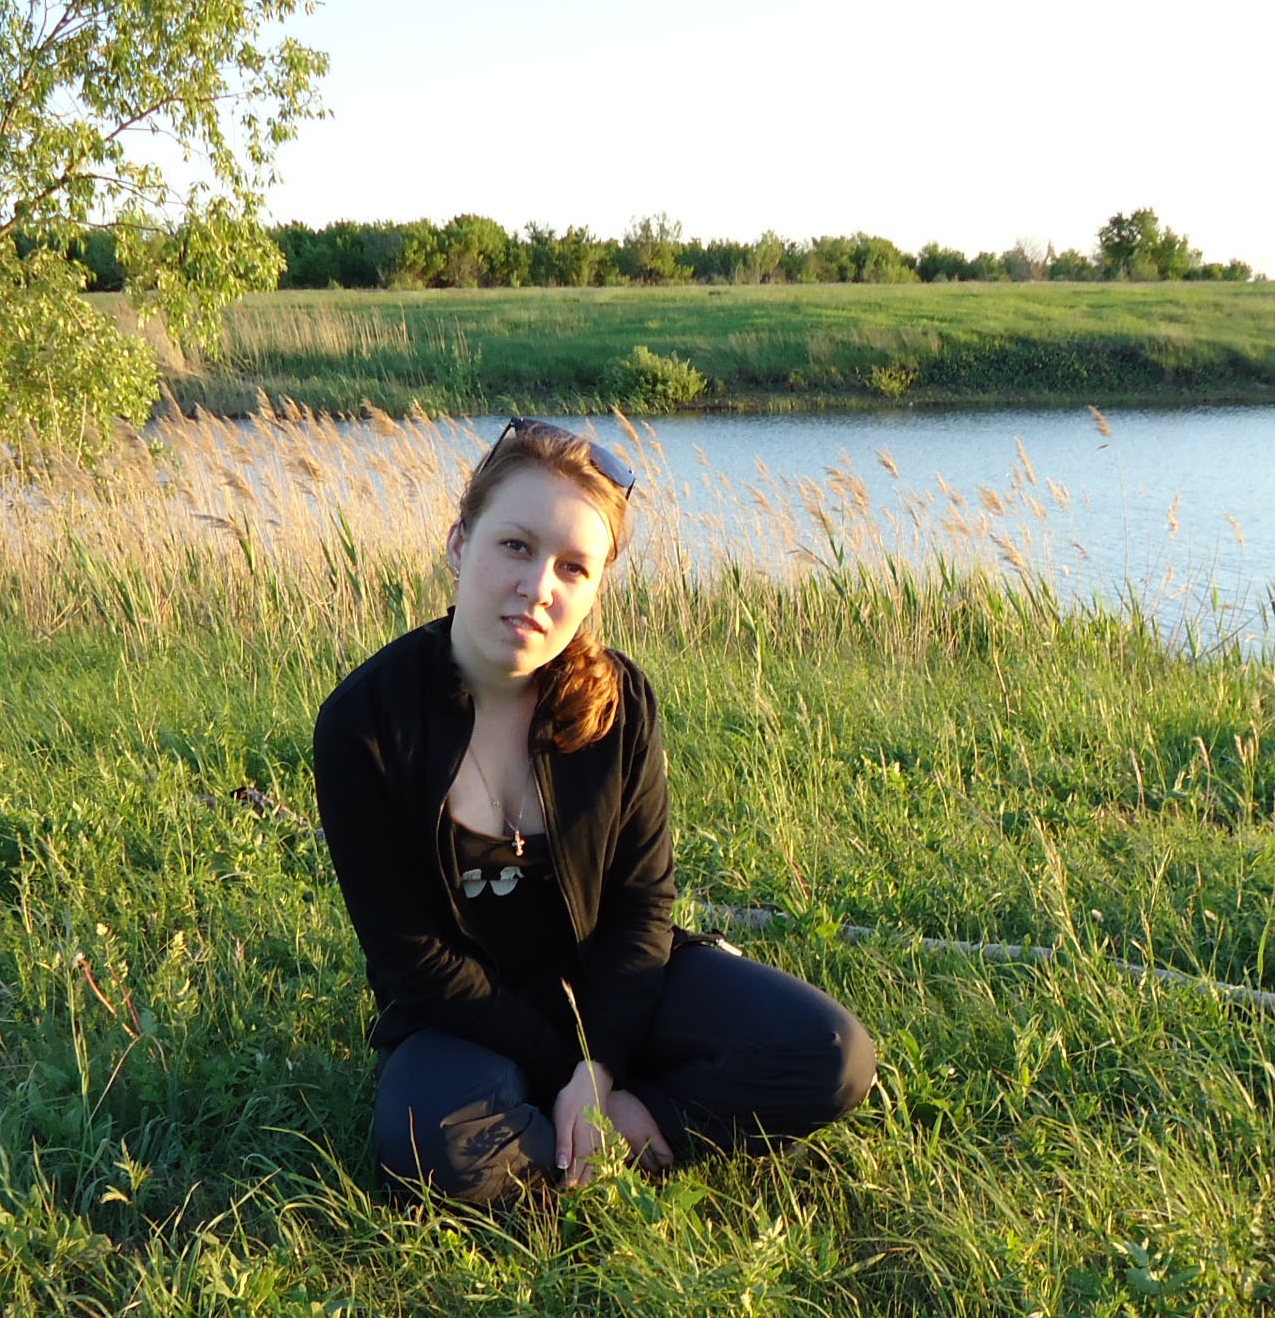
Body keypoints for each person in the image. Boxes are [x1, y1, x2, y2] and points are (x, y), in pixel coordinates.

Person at [312, 417, 875, 1203]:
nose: (538, 586)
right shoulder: (367, 723)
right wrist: (568, 1073)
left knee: (832, 1053)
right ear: (459, 544)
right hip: (461, 1020)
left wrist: (603, 1070)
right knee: (430, 1150)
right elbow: (415, 963)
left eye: (572, 567)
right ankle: (585, 1140)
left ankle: (614, 1135)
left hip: (615, 987)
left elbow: (643, 906)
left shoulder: (620, 704)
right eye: (515, 546)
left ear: (595, 587)